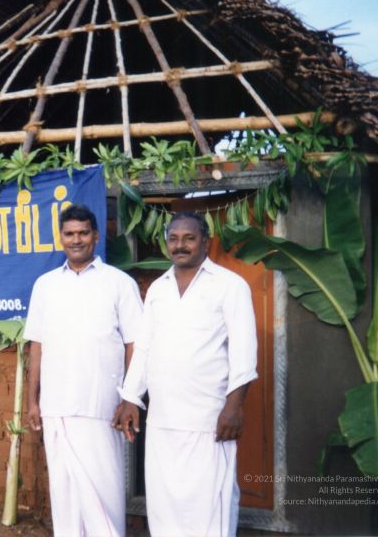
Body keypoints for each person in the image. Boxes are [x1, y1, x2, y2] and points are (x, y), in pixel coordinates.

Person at [113, 211, 258, 537]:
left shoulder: (230, 286)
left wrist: (234, 406)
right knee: (164, 506)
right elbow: (144, 348)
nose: (180, 245)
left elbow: (244, 352)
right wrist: (130, 398)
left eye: (189, 238)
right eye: (174, 239)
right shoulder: (158, 290)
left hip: (208, 421)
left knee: (210, 506)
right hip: (163, 421)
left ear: (205, 241)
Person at [23, 203, 143, 537]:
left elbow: (136, 345)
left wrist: (129, 398)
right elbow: (37, 347)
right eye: (69, 234)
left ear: (96, 236)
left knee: (104, 492)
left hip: (100, 406)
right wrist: (33, 401)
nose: (76, 240)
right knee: (64, 494)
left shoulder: (119, 283)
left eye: (83, 233)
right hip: (56, 407)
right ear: (61, 237)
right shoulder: (45, 285)